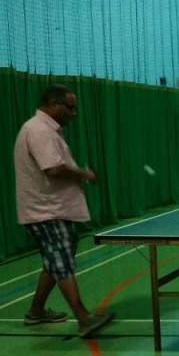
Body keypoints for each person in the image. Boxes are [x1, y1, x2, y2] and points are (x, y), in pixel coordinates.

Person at [13, 84, 114, 338]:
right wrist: (84, 173)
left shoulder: (48, 130)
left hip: (56, 208)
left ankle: (36, 311)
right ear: (53, 104)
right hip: (46, 211)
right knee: (61, 263)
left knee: (55, 262)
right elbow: (53, 169)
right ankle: (84, 318)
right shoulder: (38, 130)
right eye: (70, 107)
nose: (74, 113)